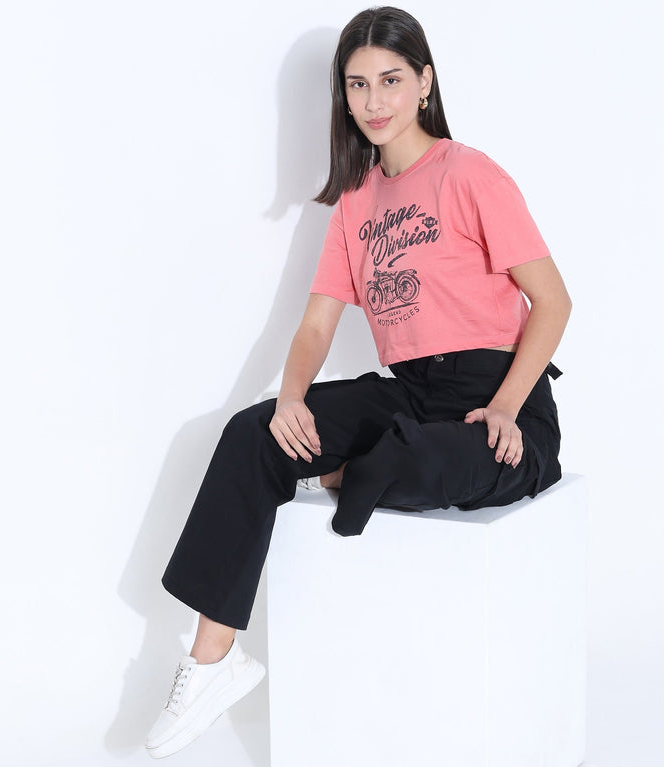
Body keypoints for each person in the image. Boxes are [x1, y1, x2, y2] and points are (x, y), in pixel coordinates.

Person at [145, 6, 571, 759]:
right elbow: (316, 327)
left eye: (391, 80)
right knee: (254, 434)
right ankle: (212, 661)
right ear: (342, 95)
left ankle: (355, 470)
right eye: (357, 84)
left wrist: (506, 407)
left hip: (499, 397)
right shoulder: (356, 201)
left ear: (425, 83)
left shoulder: (470, 173)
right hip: (409, 392)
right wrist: (289, 398)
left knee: (414, 461)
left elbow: (553, 301)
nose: (374, 101)